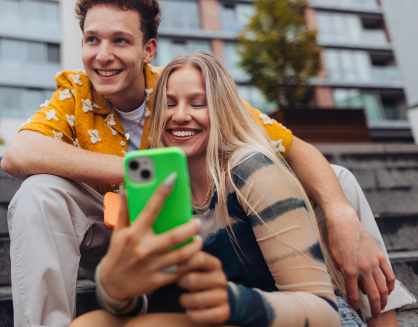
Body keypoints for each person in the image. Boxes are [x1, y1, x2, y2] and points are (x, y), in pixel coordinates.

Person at [1, 0, 414, 327]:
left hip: (202, 218)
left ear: (148, 50)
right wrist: (139, 171)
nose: (103, 54)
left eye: (120, 40)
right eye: (92, 39)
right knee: (38, 193)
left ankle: (379, 310)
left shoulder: (183, 86)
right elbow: (18, 153)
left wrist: (341, 214)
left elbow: (291, 145)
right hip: (116, 227)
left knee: (336, 180)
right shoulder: (74, 92)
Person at [70, 50, 354, 326]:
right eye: (169, 104)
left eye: (198, 103)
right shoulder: (148, 186)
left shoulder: (250, 168)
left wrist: (234, 302)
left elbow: (325, 313)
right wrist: (114, 288)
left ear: (221, 109)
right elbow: (137, 305)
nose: (180, 116)